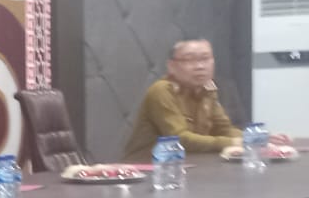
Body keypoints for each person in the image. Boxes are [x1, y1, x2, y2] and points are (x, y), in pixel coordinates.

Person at [122, 38, 290, 160]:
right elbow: (180, 139)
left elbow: (223, 129)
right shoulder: (162, 91)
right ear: (171, 66)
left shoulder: (208, 89)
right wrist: (234, 142)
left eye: (205, 59)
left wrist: (256, 139)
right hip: (150, 168)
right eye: (190, 60)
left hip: (192, 165)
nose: (200, 66)